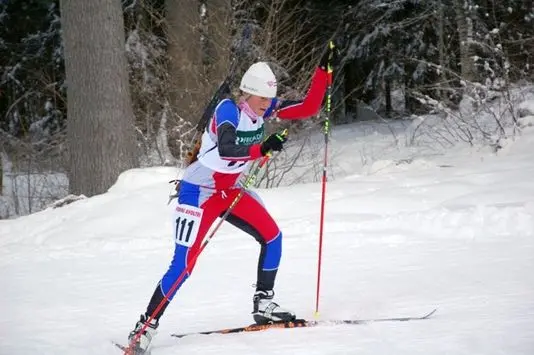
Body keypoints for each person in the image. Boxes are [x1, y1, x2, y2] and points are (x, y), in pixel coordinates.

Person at [127, 45, 335, 353]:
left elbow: (308, 107)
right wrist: (261, 149)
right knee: (183, 264)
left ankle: (263, 304)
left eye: (269, 99)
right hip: (199, 194)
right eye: (262, 99)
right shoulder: (228, 109)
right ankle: (144, 327)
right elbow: (226, 148)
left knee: (273, 237)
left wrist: (323, 73)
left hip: (230, 192)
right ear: (247, 94)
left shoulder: (263, 108)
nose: (266, 106)